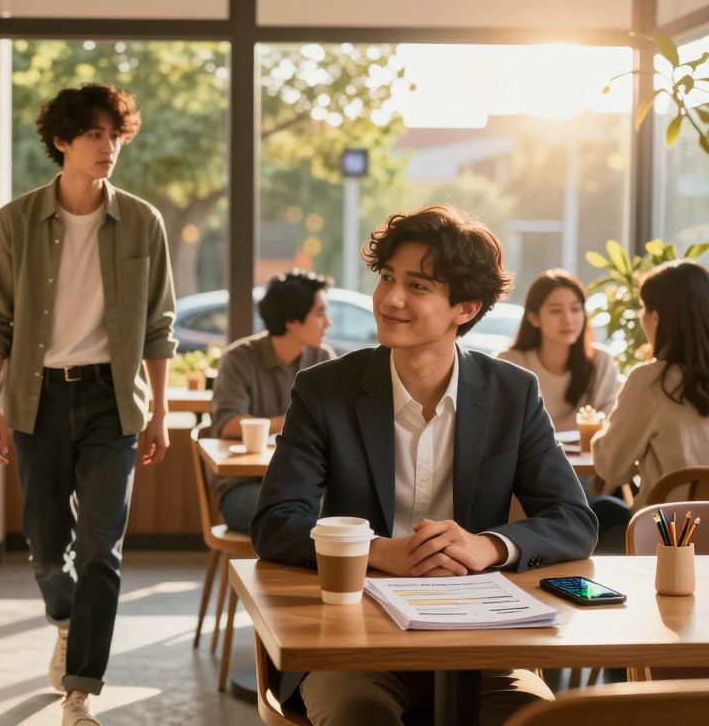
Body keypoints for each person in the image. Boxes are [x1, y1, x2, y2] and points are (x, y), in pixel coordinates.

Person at [250, 205, 598, 726]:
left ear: (465, 307)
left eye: (417, 286)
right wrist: (377, 552)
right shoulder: (325, 390)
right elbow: (276, 522)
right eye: (388, 278)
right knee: (358, 716)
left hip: (480, 640)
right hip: (354, 638)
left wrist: (488, 546)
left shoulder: (512, 393)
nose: (390, 299)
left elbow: (574, 520)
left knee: (538, 721)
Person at [0, 82, 177, 726]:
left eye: (115, 135)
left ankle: (80, 690)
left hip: (113, 402)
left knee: (100, 549)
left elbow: (159, 325)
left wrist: (160, 411)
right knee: (44, 546)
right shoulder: (16, 222)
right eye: (93, 134)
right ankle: (66, 616)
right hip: (38, 400)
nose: (108, 146)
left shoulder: (142, 222)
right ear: (62, 141)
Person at [209, 270, 335, 533]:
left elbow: (335, 424)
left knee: (336, 518)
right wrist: (295, 423)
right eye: (320, 313)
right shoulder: (239, 358)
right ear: (292, 320)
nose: (328, 323)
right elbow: (228, 424)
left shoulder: (322, 358)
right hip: (245, 484)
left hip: (306, 480)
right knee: (297, 522)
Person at [592, 260, 709, 509]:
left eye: (643, 309)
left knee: (601, 509)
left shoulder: (651, 381)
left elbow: (611, 468)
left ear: (656, 317)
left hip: (668, 530)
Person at [497, 270, 619, 432]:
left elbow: (609, 421)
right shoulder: (510, 363)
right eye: (555, 310)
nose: (568, 320)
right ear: (534, 318)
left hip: (586, 449)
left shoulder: (600, 360)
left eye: (575, 309)